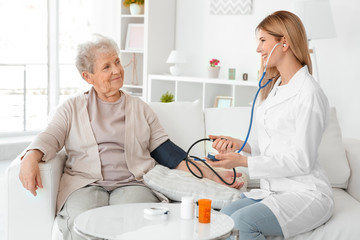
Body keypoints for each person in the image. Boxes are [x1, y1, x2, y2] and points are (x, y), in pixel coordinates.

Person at [19, 34, 243, 240]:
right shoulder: (72, 107)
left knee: (136, 223)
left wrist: (215, 175)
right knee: (81, 221)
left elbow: (170, 154)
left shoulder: (139, 108)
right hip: (84, 184)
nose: (117, 70)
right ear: (88, 76)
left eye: (117, 62)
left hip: (132, 183)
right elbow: (50, 136)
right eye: (106, 66)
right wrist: (30, 157)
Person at [207, 11, 334, 240]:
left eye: (263, 40)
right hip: (275, 189)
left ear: (283, 42)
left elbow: (301, 160)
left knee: (241, 223)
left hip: (306, 193)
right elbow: (277, 143)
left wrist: (244, 162)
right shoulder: (276, 87)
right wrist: (241, 145)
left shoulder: (309, 93)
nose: (258, 48)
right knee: (223, 218)